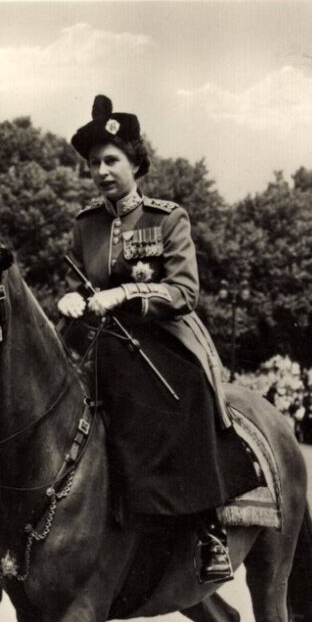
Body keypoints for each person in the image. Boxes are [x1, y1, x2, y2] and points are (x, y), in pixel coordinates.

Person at [57, 95, 260, 584]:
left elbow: (184, 291)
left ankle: (207, 527)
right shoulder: (85, 225)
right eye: (93, 164)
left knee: (186, 394)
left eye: (111, 160)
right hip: (98, 339)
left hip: (161, 336)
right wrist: (66, 298)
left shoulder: (167, 218)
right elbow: (71, 278)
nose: (101, 172)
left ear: (135, 162)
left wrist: (126, 292)